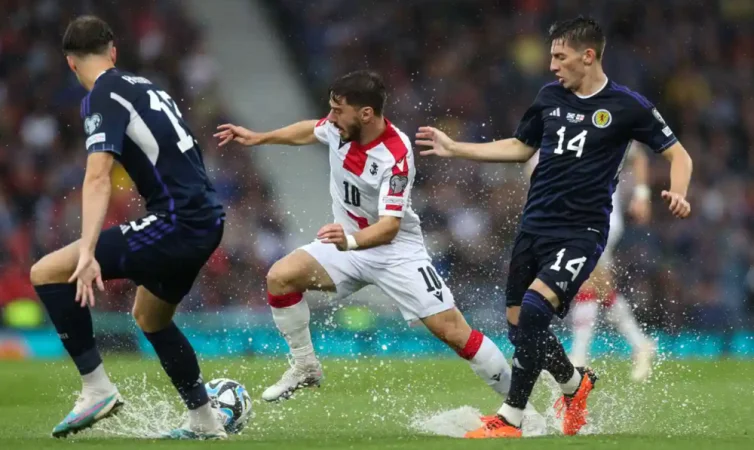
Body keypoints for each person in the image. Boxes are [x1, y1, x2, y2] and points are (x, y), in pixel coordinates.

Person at [214, 70, 544, 431]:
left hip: (396, 253)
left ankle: (522, 410)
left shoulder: (395, 155)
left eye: (338, 110)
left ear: (366, 113)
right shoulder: (339, 128)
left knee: (454, 332)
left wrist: (350, 241)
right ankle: (306, 366)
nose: (331, 117)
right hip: (348, 244)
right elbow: (311, 129)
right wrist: (259, 138)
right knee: (280, 277)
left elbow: (389, 227)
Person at [417, 16, 692, 438]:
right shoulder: (549, 97)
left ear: (588, 56)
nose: (552, 66)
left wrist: (679, 192)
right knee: (519, 329)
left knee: (533, 312)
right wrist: (456, 148)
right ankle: (573, 384)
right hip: (534, 228)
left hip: (581, 232)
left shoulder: (627, 106)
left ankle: (510, 418)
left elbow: (678, 155)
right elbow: (519, 147)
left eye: (560, 57)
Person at [30, 16, 227, 440]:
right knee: (150, 317)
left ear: (70, 62)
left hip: (178, 221)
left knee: (46, 272)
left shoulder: (102, 95)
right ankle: (205, 420)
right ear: (113, 51)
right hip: (205, 217)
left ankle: (97, 389)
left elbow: (98, 176)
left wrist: (87, 252)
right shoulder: (145, 86)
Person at [527, 143, 657, 381]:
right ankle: (640, 344)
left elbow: (637, 155)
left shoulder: (602, 126)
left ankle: (580, 357)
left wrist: (641, 195)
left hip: (600, 218)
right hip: (571, 224)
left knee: (586, 282)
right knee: (599, 285)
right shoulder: (550, 138)